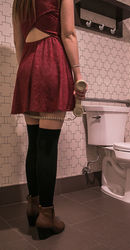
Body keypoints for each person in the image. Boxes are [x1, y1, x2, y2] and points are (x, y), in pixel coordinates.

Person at [11, 0, 87, 238]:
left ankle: (32, 205)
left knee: (34, 144)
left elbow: (18, 42)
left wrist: (27, 72)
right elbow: (68, 33)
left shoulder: (18, 2)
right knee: (47, 147)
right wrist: (78, 73)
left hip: (27, 66)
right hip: (50, 61)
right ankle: (46, 215)